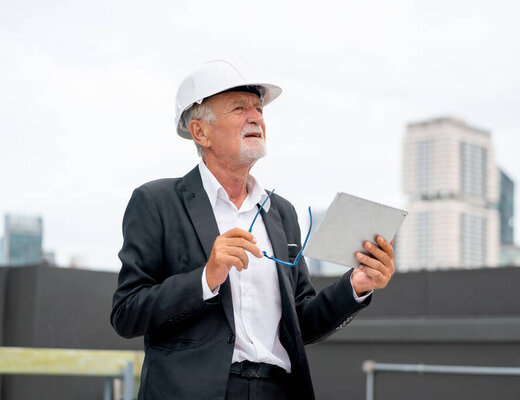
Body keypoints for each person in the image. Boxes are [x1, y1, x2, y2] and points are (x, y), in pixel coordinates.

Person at [110, 60, 395, 400]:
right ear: (201, 132)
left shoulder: (282, 213)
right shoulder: (156, 202)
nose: (256, 116)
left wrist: (354, 286)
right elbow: (126, 313)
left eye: (258, 109)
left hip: (278, 390)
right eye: (239, 108)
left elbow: (300, 322)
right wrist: (206, 278)